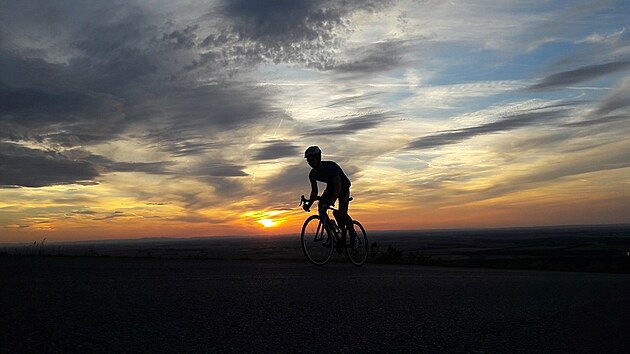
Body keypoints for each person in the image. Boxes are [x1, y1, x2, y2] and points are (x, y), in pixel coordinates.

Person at [302, 146, 358, 249]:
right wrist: (308, 205)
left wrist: (333, 199)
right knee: (321, 208)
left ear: (318, 158)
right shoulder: (312, 174)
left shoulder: (330, 167)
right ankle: (331, 235)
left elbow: (338, 184)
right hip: (331, 188)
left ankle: (353, 235)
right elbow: (314, 192)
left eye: (311, 159)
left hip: (343, 187)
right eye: (308, 160)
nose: (310, 162)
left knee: (341, 213)